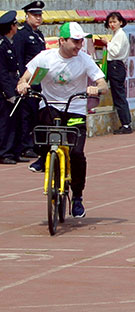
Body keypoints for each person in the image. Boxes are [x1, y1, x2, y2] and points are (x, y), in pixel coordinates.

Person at [17, 22, 109, 217]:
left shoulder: (84, 60)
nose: (79, 45)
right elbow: (25, 78)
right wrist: (23, 85)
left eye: (80, 41)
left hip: (75, 109)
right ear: (62, 41)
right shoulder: (45, 58)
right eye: (75, 41)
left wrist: (96, 88)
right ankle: (44, 157)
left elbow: (103, 84)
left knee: (76, 153)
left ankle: (77, 198)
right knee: (44, 130)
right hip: (50, 106)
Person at [14, 0, 48, 163]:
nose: (38, 18)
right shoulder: (21, 35)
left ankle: (34, 144)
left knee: (35, 113)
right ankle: (25, 146)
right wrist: (22, 80)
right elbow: (20, 59)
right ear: (26, 16)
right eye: (35, 15)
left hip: (39, 78)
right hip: (28, 79)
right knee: (26, 114)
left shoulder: (39, 35)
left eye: (40, 15)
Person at [103, 11, 132, 134]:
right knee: (117, 94)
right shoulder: (116, 34)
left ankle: (126, 124)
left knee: (119, 95)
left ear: (120, 22)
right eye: (110, 22)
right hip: (115, 65)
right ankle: (125, 123)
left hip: (116, 65)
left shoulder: (120, 35)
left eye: (114, 21)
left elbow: (115, 52)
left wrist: (107, 43)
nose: (112, 24)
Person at [0, 10, 21, 164]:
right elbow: (2, 72)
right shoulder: (2, 46)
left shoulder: (11, 43)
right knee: (5, 122)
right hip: (5, 91)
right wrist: (9, 93)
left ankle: (13, 150)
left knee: (15, 122)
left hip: (14, 84)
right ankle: (4, 152)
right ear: (11, 26)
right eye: (15, 24)